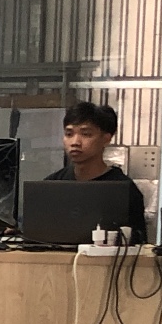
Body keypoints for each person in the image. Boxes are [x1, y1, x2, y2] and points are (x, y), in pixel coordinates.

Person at [46, 100, 146, 238]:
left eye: (86, 134)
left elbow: (138, 244)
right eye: (69, 134)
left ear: (106, 139)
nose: (75, 142)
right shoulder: (51, 185)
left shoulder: (124, 190)